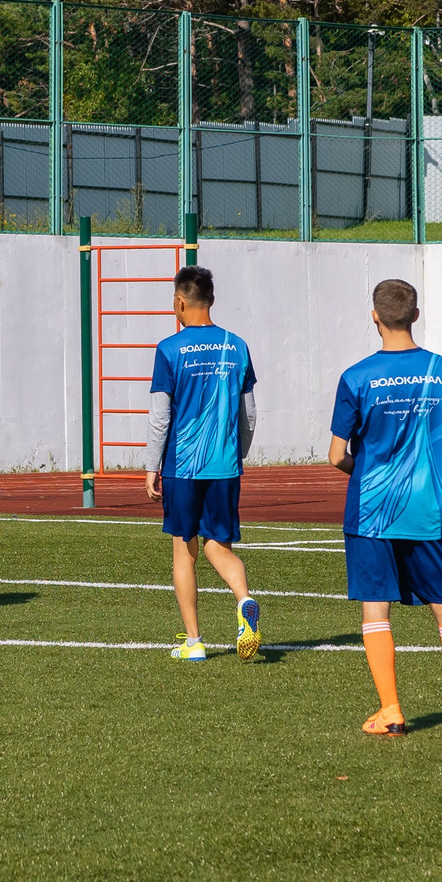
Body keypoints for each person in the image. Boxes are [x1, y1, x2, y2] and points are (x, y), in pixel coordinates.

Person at [328, 279, 442, 736]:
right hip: (425, 509)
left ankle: (392, 712)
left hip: (371, 510)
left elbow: (336, 455)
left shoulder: (356, 377)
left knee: (375, 611)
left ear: (375, 317)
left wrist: (367, 472)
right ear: (415, 316)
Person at [144, 267, 262, 662]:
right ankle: (244, 598)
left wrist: (150, 464)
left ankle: (193, 642)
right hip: (224, 466)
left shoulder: (170, 349)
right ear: (212, 299)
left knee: (184, 550)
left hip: (183, 466)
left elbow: (160, 416)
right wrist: (238, 453)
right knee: (219, 545)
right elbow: (249, 413)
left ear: (179, 302)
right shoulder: (237, 345)